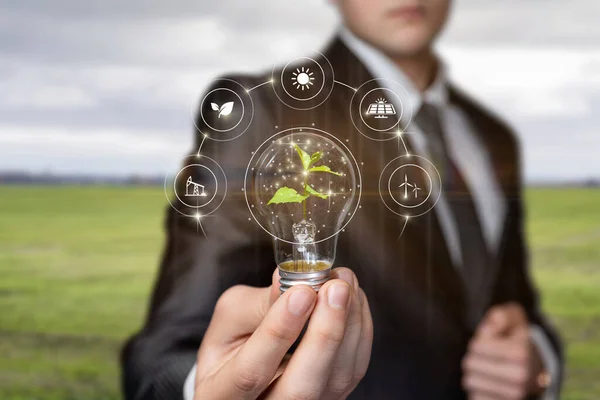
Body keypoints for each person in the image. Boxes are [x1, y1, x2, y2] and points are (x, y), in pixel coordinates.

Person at [121, 1, 563, 399]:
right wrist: (208, 388)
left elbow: (513, 301)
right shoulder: (262, 112)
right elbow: (164, 354)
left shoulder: (492, 137)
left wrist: (538, 359)